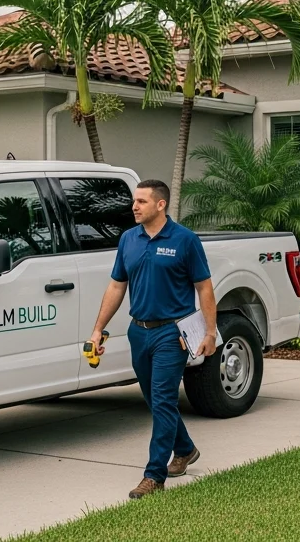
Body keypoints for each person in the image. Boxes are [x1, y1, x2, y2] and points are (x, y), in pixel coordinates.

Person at [86, 178, 216, 499]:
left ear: (161, 205)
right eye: (134, 201)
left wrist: (210, 332)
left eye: (141, 201)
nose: (134, 206)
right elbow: (117, 286)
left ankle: (154, 475)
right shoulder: (128, 239)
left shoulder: (185, 240)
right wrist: (97, 328)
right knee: (155, 400)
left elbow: (205, 288)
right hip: (138, 331)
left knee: (162, 399)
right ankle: (185, 449)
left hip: (173, 333)